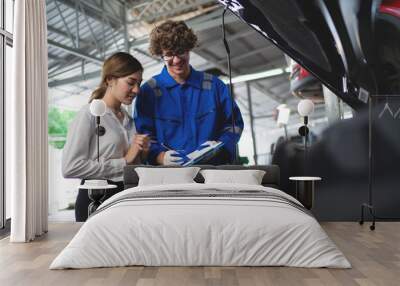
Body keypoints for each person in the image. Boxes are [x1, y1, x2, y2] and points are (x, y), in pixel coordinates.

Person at [134, 20, 244, 165]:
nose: (177, 60)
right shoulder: (149, 92)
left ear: (189, 48)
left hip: (212, 171)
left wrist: (220, 147)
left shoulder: (214, 86)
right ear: (161, 54)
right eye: (169, 54)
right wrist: (159, 157)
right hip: (168, 174)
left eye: (181, 52)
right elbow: (144, 135)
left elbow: (234, 125)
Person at [62, 52, 150, 222]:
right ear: (110, 80)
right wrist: (124, 161)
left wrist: (142, 154)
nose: (137, 90)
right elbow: (70, 167)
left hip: (126, 197)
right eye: (131, 82)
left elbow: (131, 161)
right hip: (96, 200)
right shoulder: (87, 115)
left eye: (139, 83)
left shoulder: (129, 120)